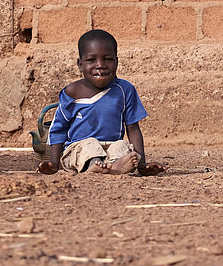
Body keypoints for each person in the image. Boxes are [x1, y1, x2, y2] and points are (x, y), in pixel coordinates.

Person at [38, 29, 164, 176]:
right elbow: (59, 128)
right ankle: (94, 165)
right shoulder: (72, 92)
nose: (100, 65)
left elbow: (133, 128)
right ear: (80, 64)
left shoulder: (124, 90)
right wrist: (54, 162)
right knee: (89, 144)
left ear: (116, 62)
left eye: (108, 59)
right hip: (79, 148)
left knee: (122, 146)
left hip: (111, 146)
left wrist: (142, 164)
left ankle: (114, 166)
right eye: (92, 60)